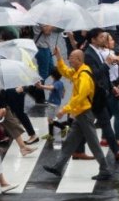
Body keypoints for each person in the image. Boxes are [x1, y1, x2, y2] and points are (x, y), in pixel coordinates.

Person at [43, 48, 113, 182]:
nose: (69, 59)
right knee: (70, 142)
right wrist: (58, 57)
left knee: (93, 143)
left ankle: (105, 169)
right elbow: (65, 72)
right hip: (80, 114)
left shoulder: (84, 76)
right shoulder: (78, 71)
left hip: (85, 114)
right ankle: (58, 167)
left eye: (71, 57)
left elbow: (80, 96)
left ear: (79, 60)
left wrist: (65, 109)